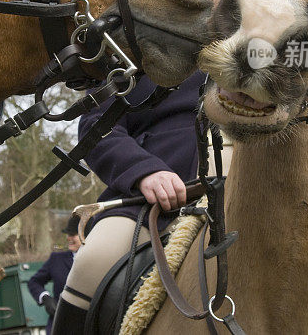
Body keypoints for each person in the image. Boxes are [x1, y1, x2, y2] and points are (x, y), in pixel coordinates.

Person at [52, 70, 206, 333]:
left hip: (256, 182)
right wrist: (143, 170)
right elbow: (98, 125)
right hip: (153, 201)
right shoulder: (131, 53)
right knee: (93, 261)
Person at [28, 215, 85, 334]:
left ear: (85, 235)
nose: (68, 238)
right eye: (67, 234)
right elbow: (34, 282)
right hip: (60, 326)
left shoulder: (95, 260)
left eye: (73, 235)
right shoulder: (56, 259)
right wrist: (45, 297)